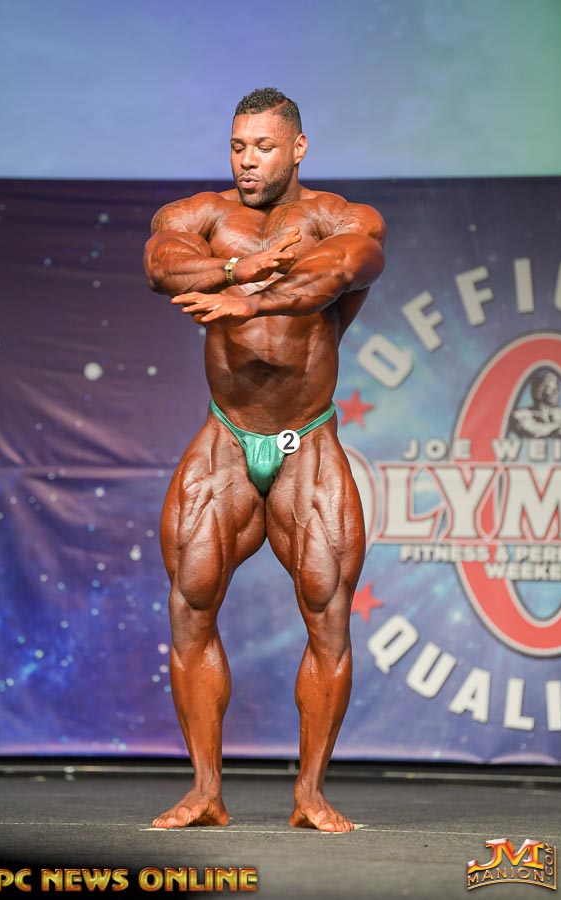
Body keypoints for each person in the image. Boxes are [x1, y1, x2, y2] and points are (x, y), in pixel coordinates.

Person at [143, 87, 385, 832]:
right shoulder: (202, 216)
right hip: (227, 436)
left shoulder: (341, 218)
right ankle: (205, 791)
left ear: (298, 148)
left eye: (264, 147)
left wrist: (259, 301)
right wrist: (236, 272)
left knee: (328, 616)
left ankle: (310, 794)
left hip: (307, 440)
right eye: (238, 147)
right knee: (190, 605)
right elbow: (161, 264)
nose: (247, 162)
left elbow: (341, 271)